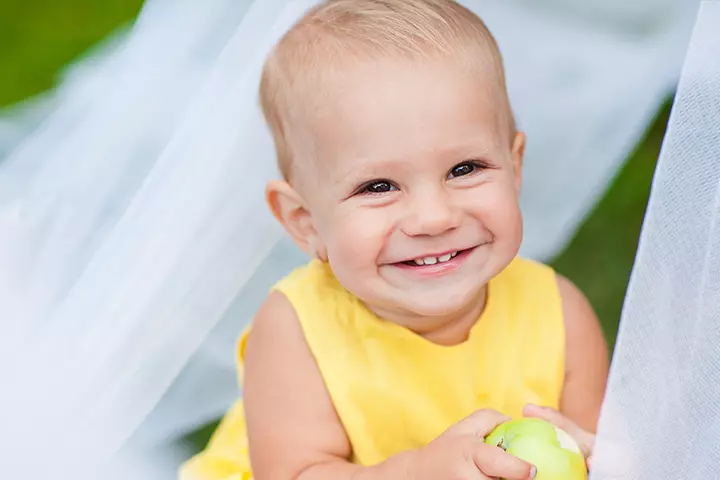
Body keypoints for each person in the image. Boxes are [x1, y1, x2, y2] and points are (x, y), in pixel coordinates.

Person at [179, 1, 609, 478]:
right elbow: (296, 473)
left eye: (465, 169)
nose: (433, 218)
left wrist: (590, 455)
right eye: (378, 187)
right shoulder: (295, 330)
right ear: (306, 222)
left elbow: (597, 443)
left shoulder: (559, 313)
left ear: (515, 168)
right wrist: (418, 472)